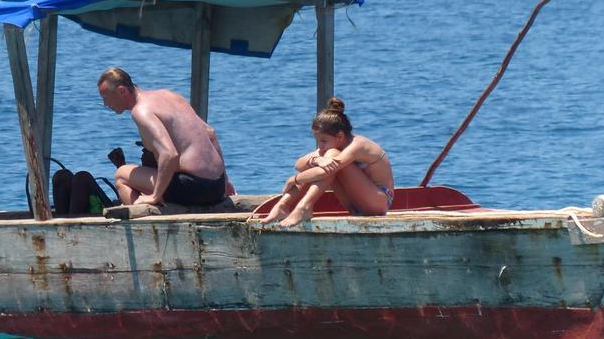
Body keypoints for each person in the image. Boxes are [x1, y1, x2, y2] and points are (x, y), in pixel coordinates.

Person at [96, 67, 232, 207]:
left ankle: (146, 221)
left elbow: (169, 154)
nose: (105, 104)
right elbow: (210, 133)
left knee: (121, 175)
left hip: (195, 188)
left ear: (122, 91)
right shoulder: (168, 95)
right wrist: (225, 182)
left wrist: (155, 196)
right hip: (218, 185)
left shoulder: (141, 111)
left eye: (106, 98)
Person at [260, 97, 394, 227]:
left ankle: (304, 207)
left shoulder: (358, 145)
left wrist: (294, 179)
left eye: (323, 141)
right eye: (318, 141)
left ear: (340, 136)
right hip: (355, 204)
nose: (320, 145)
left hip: (378, 202)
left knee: (329, 160)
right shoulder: (331, 147)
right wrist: (317, 160)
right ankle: (282, 206)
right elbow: (299, 163)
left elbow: (324, 170)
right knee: (323, 161)